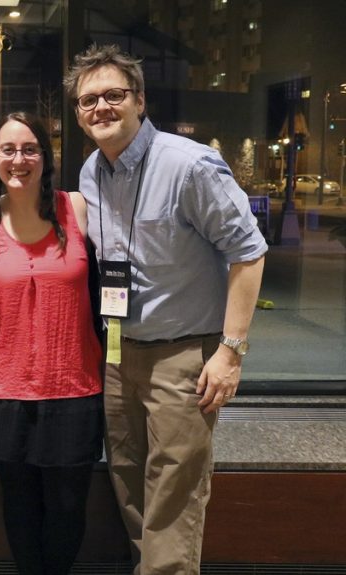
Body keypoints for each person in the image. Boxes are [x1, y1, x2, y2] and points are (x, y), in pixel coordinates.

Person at [63, 44, 267, 574]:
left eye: (114, 95)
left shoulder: (189, 165)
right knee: (130, 483)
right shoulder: (92, 172)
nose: (101, 108)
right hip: (116, 350)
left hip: (183, 356)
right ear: (78, 112)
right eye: (89, 101)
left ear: (140, 101)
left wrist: (230, 352)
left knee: (175, 490)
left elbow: (249, 252)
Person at [0, 111, 104, 575]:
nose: (19, 159)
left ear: (45, 158)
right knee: (19, 506)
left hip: (74, 385)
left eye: (30, 149)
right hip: (3, 388)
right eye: (7, 150)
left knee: (68, 508)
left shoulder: (77, 208)